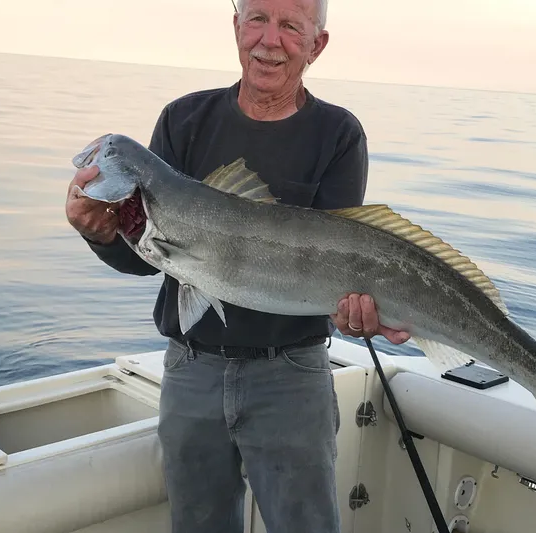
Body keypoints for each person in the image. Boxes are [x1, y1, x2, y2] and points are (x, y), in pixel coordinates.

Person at [65, 0, 408, 531]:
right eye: (257, 19)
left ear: (316, 45)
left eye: (290, 26)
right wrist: (100, 234)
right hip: (190, 371)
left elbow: (344, 261)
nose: (269, 40)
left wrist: (355, 313)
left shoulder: (338, 134)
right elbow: (153, 260)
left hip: (291, 376)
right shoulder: (183, 120)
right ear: (236, 26)